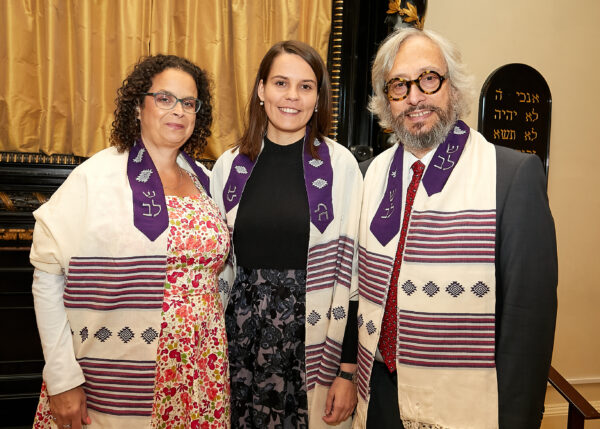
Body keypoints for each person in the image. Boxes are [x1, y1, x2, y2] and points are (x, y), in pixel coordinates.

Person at [354, 28, 558, 429]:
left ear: (453, 87)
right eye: (399, 85)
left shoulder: (509, 176)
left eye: (429, 78)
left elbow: (528, 320)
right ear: (386, 101)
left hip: (466, 406)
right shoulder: (368, 176)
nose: (415, 96)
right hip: (376, 395)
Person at [30, 54, 231, 428]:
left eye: (189, 103)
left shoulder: (204, 178)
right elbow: (47, 276)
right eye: (165, 98)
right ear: (138, 106)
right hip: (113, 377)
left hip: (198, 369)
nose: (179, 111)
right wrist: (61, 377)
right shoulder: (96, 177)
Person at [210, 40, 362, 428]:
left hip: (308, 340)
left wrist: (347, 371)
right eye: (281, 83)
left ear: (318, 97)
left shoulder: (340, 167)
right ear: (261, 90)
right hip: (238, 341)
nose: (292, 96)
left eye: (306, 86)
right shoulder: (229, 166)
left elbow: (356, 276)